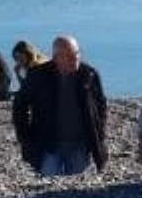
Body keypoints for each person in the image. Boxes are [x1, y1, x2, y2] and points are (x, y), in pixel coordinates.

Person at [12, 35, 108, 177]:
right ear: (56, 57)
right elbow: (19, 106)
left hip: (80, 145)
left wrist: (99, 132)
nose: (74, 59)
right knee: (49, 184)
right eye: (69, 56)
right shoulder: (38, 75)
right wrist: (25, 138)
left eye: (76, 54)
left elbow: (101, 105)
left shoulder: (89, 75)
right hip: (48, 144)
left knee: (75, 190)